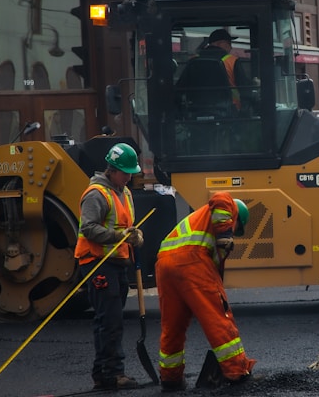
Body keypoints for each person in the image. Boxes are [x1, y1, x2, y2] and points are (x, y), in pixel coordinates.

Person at [156, 191, 256, 391]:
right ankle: (237, 372)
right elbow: (221, 197)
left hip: (164, 264)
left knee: (173, 326)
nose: (234, 231)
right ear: (236, 218)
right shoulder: (229, 207)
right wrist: (226, 233)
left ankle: (171, 378)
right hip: (191, 261)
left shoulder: (200, 225)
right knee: (217, 317)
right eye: (236, 228)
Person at [74, 143, 144, 390]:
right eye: (125, 172)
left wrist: (134, 235)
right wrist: (119, 236)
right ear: (112, 170)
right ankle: (113, 374)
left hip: (116, 262)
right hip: (96, 263)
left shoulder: (123, 192)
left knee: (110, 320)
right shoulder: (96, 194)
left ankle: (102, 374)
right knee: (110, 320)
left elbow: (124, 225)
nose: (129, 176)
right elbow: (88, 228)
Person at [199, 29, 249, 110]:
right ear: (220, 44)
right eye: (229, 43)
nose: (231, 47)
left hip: (197, 111)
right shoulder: (232, 61)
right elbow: (245, 88)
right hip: (230, 112)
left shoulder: (193, 61)